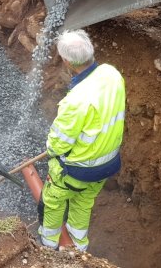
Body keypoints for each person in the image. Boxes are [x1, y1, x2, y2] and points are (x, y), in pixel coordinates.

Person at [38, 30, 125, 252]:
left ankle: (48, 248)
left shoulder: (75, 101)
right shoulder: (112, 74)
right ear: (91, 51)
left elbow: (57, 145)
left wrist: (50, 148)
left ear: (67, 61)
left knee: (53, 202)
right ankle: (79, 249)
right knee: (83, 204)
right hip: (107, 165)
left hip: (77, 171)